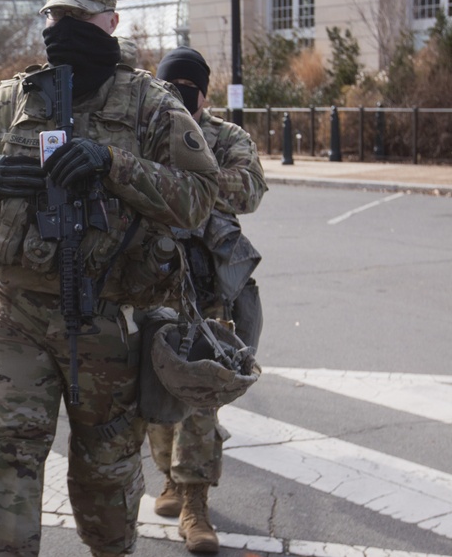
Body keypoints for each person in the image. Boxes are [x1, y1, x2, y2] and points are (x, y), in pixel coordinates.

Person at [0, 0, 220, 557]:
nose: (64, 29)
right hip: (15, 310)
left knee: (107, 472)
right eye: (56, 17)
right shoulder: (9, 102)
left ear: (111, 24)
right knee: (8, 462)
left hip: (106, 314)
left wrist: (114, 164)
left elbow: (200, 196)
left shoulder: (150, 105)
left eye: (80, 18)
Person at [147, 46, 267, 552]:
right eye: (169, 88)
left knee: (200, 390)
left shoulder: (226, 136)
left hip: (206, 284)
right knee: (153, 391)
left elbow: (251, 189)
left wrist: (192, 182)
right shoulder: (146, 126)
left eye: (187, 90)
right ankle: (170, 477)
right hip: (148, 275)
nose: (177, 98)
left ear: (204, 93)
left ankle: (195, 502)